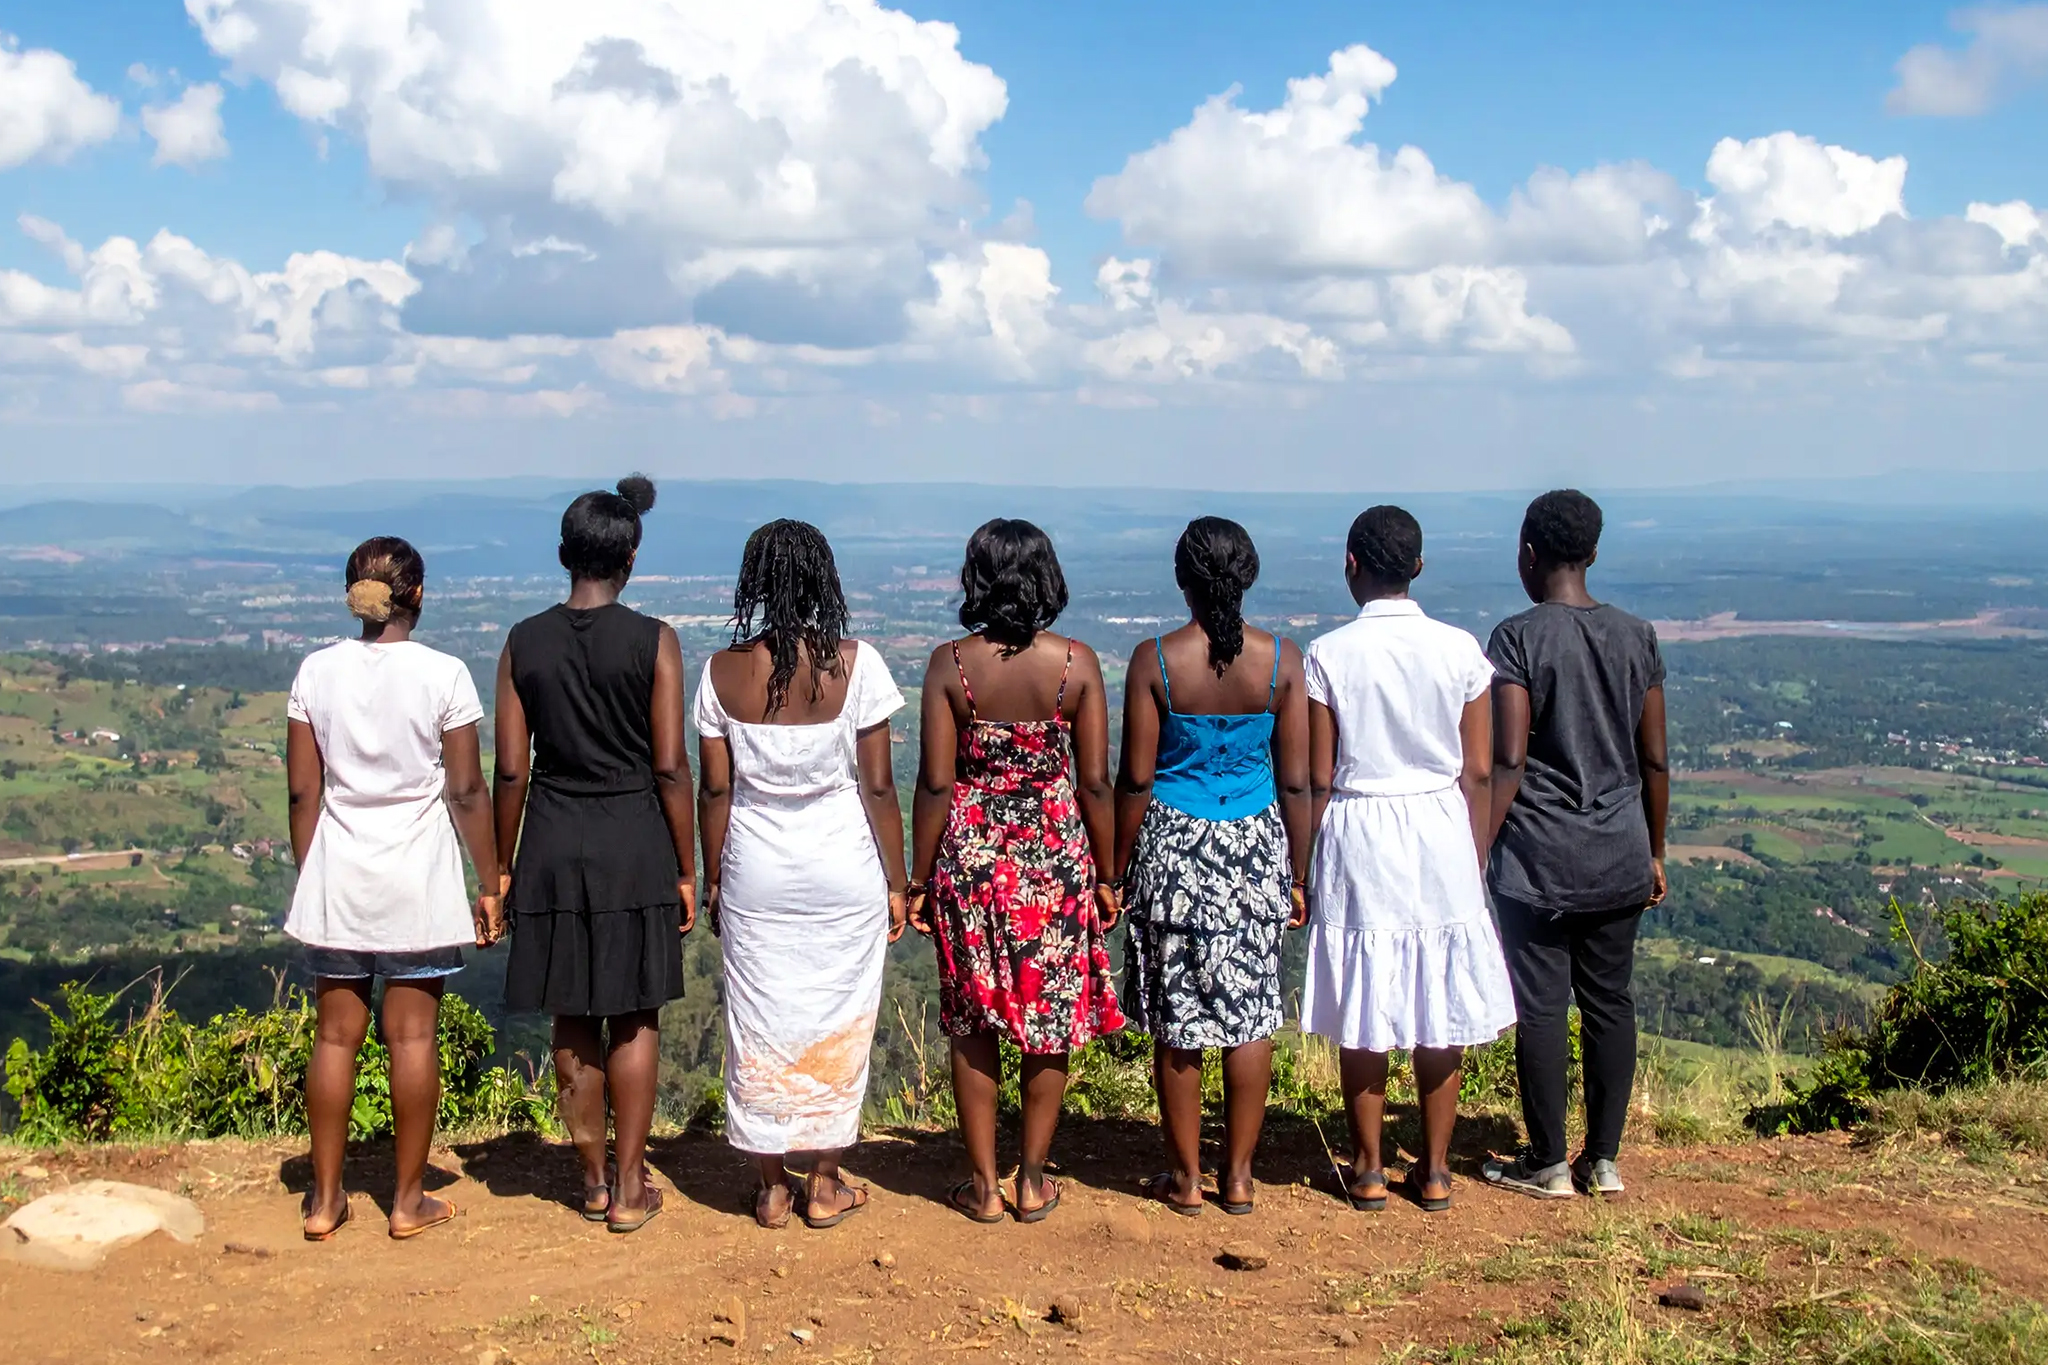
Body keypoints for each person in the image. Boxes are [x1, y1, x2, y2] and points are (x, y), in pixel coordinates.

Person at [494, 476, 696, 1234]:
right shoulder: (656, 641)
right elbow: (670, 765)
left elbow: (510, 770)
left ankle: (591, 1180)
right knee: (635, 1012)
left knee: (571, 1015)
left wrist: (503, 866)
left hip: (550, 837)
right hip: (634, 839)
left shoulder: (522, 641)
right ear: (631, 559)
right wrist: (686, 868)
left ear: (563, 555)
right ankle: (633, 1184)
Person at [694, 519, 910, 1230]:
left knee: (758, 1020)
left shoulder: (720, 672)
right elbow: (879, 787)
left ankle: (770, 1187)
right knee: (841, 1014)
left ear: (754, 582)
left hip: (754, 867)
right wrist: (898, 881)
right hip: (843, 866)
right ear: (823, 580)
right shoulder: (857, 665)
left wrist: (715, 876)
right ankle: (824, 1180)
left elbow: (716, 790)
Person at [284, 536, 500, 1242]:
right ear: (419, 595)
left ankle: (324, 1201)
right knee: (412, 1037)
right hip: (416, 878)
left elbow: (302, 792)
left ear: (354, 594)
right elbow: (465, 790)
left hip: (339, 874)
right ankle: (407, 1201)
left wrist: (312, 875)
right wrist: (491, 880)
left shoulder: (315, 672)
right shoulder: (445, 674)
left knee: (334, 1038)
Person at [909, 518, 1124, 1224]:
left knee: (972, 1018)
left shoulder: (951, 666)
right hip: (1055, 858)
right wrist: (1107, 874)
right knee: (1049, 1016)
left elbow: (935, 784)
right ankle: (1031, 1178)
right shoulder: (1076, 665)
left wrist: (918, 879)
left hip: (971, 857)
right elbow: (1095, 784)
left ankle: (982, 1186)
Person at [1302, 506, 1514, 1214]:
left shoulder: (1329, 654)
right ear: (1418, 566)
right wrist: (1472, 851)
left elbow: (1319, 773)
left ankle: (1367, 1167)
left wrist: (1307, 862)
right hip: (1441, 826)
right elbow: (1478, 768)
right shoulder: (1460, 650)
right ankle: (1436, 1168)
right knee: (1438, 997)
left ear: (1351, 565)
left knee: (1365, 1000)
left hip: (1359, 825)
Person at [1113, 517, 1311, 1216]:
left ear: (1182, 578)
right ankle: (1240, 1177)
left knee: (1180, 1017)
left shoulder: (1155, 661)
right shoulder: (1281, 661)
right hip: (1253, 846)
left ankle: (1186, 1177)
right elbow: (1296, 782)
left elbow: (1136, 780)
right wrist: (1298, 875)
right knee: (1249, 1013)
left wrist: (1115, 868)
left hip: (1174, 846)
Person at [1481, 489, 1669, 1201]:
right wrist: (1655, 851)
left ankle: (1548, 1162)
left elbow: (1508, 759)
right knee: (1609, 1000)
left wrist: (1478, 848)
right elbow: (1655, 760)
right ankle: (1605, 1161)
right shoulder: (1637, 636)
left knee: (1541, 1006)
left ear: (1528, 554)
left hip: (1538, 856)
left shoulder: (1517, 638)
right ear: (1592, 551)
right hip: (1620, 850)